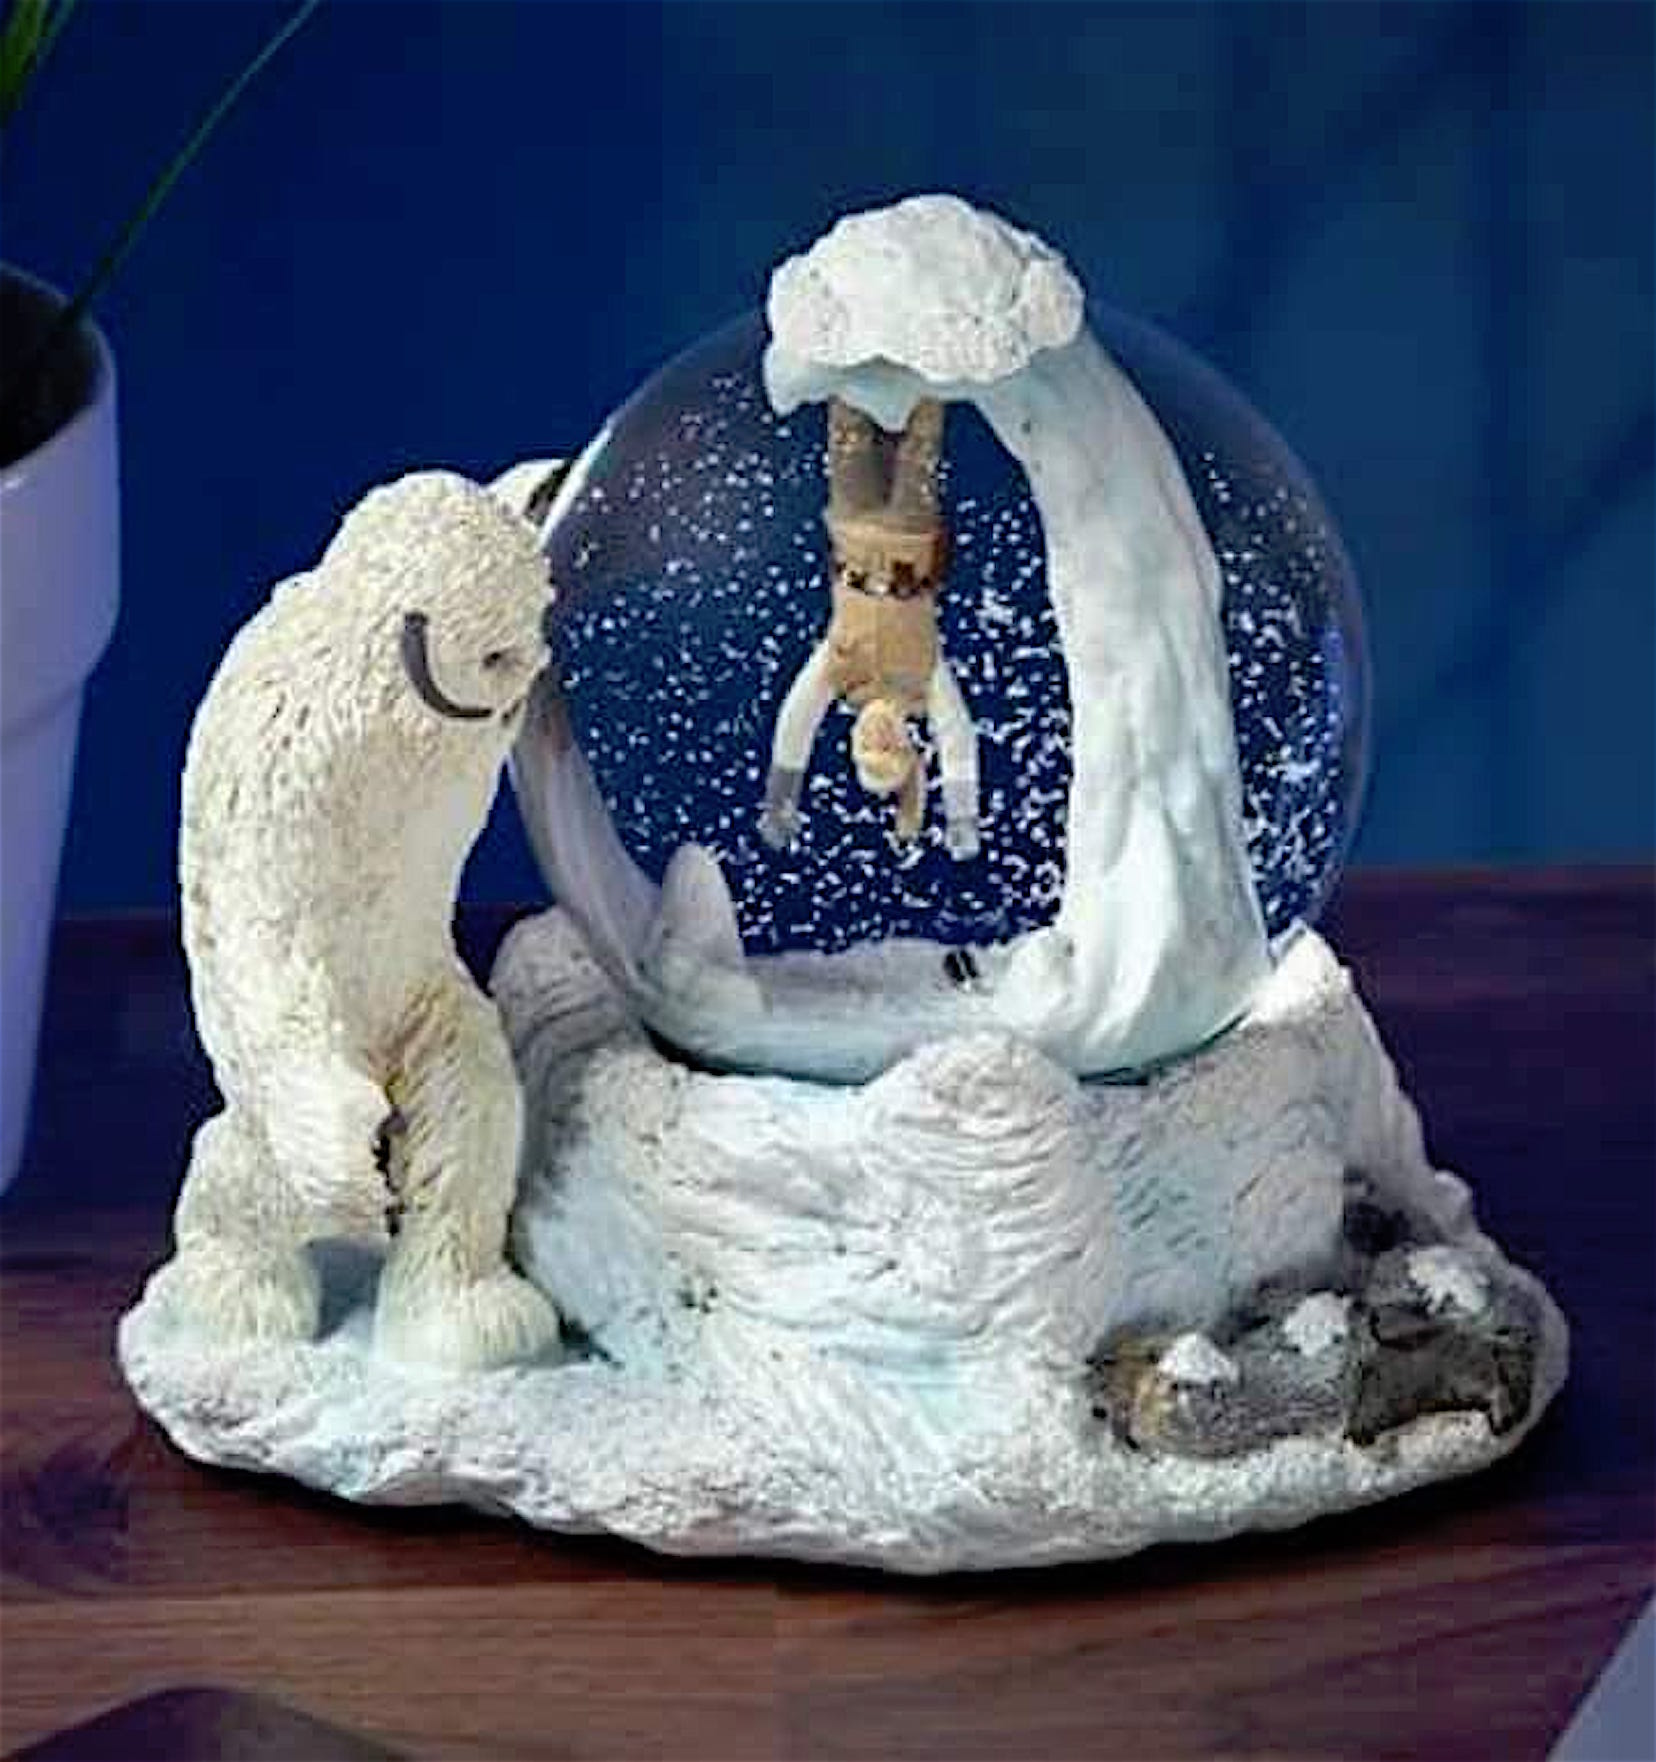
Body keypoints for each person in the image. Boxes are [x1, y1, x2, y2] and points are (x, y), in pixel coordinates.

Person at [760, 396, 980, 857]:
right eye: (887, 746)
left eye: (864, 746)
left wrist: (781, 801)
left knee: (849, 428)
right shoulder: (924, 685)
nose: (874, 736)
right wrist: (961, 815)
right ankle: (927, 368)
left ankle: (847, 363)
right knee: (922, 437)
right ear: (907, 744)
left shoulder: (838, 675)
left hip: (852, 532)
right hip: (910, 536)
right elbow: (957, 736)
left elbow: (797, 719)